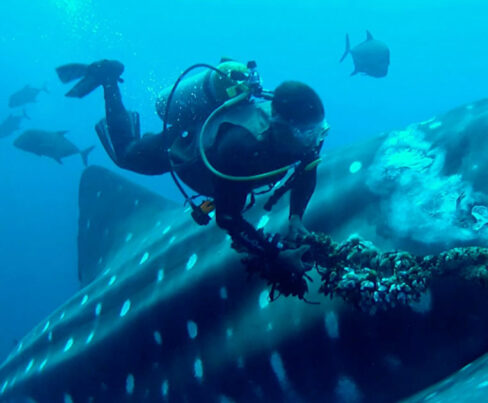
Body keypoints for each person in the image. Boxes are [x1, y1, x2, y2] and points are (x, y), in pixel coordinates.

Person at [56, 59, 328, 298]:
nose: (313, 140)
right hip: (186, 151)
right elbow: (228, 219)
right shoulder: (239, 146)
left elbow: (308, 168)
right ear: (279, 126)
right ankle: (108, 80)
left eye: (315, 131)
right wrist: (276, 257)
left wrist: (296, 218)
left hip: (236, 166)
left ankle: (109, 79)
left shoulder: (305, 136)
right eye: (306, 133)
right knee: (127, 155)